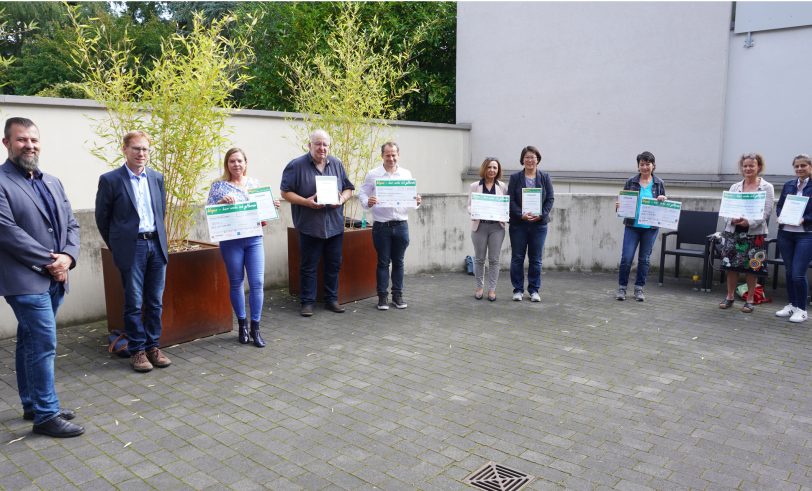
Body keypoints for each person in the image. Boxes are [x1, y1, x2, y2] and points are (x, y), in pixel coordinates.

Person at [0, 117, 84, 437]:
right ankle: (46, 415)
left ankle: (33, 403)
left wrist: (68, 257)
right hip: (24, 279)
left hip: (55, 276)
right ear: (7, 143)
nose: (29, 145)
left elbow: (72, 225)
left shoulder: (52, 181)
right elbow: (7, 233)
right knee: (44, 342)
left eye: (34, 140)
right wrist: (51, 262)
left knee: (29, 341)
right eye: (21, 140)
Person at [95, 130, 172, 372]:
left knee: (155, 301)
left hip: (156, 245)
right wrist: (118, 246)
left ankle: (153, 346)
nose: (141, 153)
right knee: (134, 302)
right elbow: (102, 218)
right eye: (136, 148)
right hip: (133, 247)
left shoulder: (157, 178)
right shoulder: (111, 180)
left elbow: (161, 212)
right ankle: (137, 350)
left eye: (145, 149)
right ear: (124, 149)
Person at [207, 148, 280, 347]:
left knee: (257, 282)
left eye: (239, 161)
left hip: (254, 238)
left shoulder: (255, 185)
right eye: (232, 161)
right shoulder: (218, 187)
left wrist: (271, 205)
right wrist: (222, 202)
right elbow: (211, 212)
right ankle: (242, 325)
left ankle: (256, 327)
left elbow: (263, 211)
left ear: (246, 163)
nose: (236, 164)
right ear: (227, 164)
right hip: (231, 242)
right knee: (236, 281)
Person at [280, 129, 354, 317]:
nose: (322, 148)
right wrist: (306, 202)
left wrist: (342, 199)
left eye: (325, 144)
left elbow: (348, 188)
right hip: (309, 225)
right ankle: (307, 302)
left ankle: (331, 299)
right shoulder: (296, 165)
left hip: (335, 226)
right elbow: (285, 192)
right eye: (318, 144)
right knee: (308, 266)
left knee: (334, 264)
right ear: (309, 145)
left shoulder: (336, 163)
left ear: (329, 146)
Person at [358, 142, 421, 310]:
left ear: (398, 155)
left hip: (401, 225)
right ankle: (382, 297)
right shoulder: (373, 174)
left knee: (399, 262)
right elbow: (362, 192)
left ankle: (397, 296)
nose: (391, 158)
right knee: (383, 262)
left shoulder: (406, 174)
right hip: (381, 226)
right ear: (382, 156)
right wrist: (367, 201)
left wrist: (417, 200)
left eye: (394, 155)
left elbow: (412, 198)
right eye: (388, 155)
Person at [717, 153, 774, 313]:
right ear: (742, 168)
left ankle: (749, 300)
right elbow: (726, 209)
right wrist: (732, 219)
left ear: (759, 167)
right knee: (731, 267)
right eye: (745, 166)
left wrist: (749, 222)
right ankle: (729, 297)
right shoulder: (734, 187)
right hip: (733, 232)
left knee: (752, 268)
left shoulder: (767, 187)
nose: (748, 168)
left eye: (751, 165)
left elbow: (767, 211)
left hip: (754, 234)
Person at [615, 151, 667, 302]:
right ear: (638, 166)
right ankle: (622, 288)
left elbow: (663, 206)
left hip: (650, 228)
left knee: (644, 259)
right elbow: (623, 201)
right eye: (642, 164)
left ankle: (639, 289)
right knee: (626, 258)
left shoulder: (659, 183)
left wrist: (663, 199)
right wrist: (619, 205)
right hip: (632, 226)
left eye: (647, 164)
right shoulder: (631, 181)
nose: (644, 167)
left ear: (653, 165)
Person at [507, 145, 554, 302]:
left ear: (538, 159)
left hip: (539, 225)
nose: (530, 160)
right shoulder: (515, 178)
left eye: (533, 157)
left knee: (536, 259)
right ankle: (518, 290)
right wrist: (521, 215)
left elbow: (550, 199)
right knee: (517, 257)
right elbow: (510, 199)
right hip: (519, 224)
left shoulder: (545, 177)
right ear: (522, 160)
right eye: (527, 157)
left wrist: (541, 215)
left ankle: (534, 290)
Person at [774, 154, 812, 323]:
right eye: (796, 166)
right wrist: (780, 216)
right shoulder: (789, 184)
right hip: (786, 233)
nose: (799, 169)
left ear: (810, 166)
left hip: (806, 234)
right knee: (789, 272)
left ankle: (802, 309)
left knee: (798, 274)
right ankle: (792, 305)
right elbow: (781, 205)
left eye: (803, 165)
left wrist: (805, 219)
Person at [468, 157, 508, 301]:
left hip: (497, 227)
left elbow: (505, 206)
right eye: (489, 167)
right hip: (480, 227)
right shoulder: (474, 186)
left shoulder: (502, 187)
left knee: (494, 260)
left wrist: (505, 214)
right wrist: (472, 211)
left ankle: (492, 290)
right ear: (484, 168)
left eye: (495, 168)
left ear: (498, 170)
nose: (492, 170)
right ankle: (479, 287)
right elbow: (469, 205)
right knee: (479, 259)